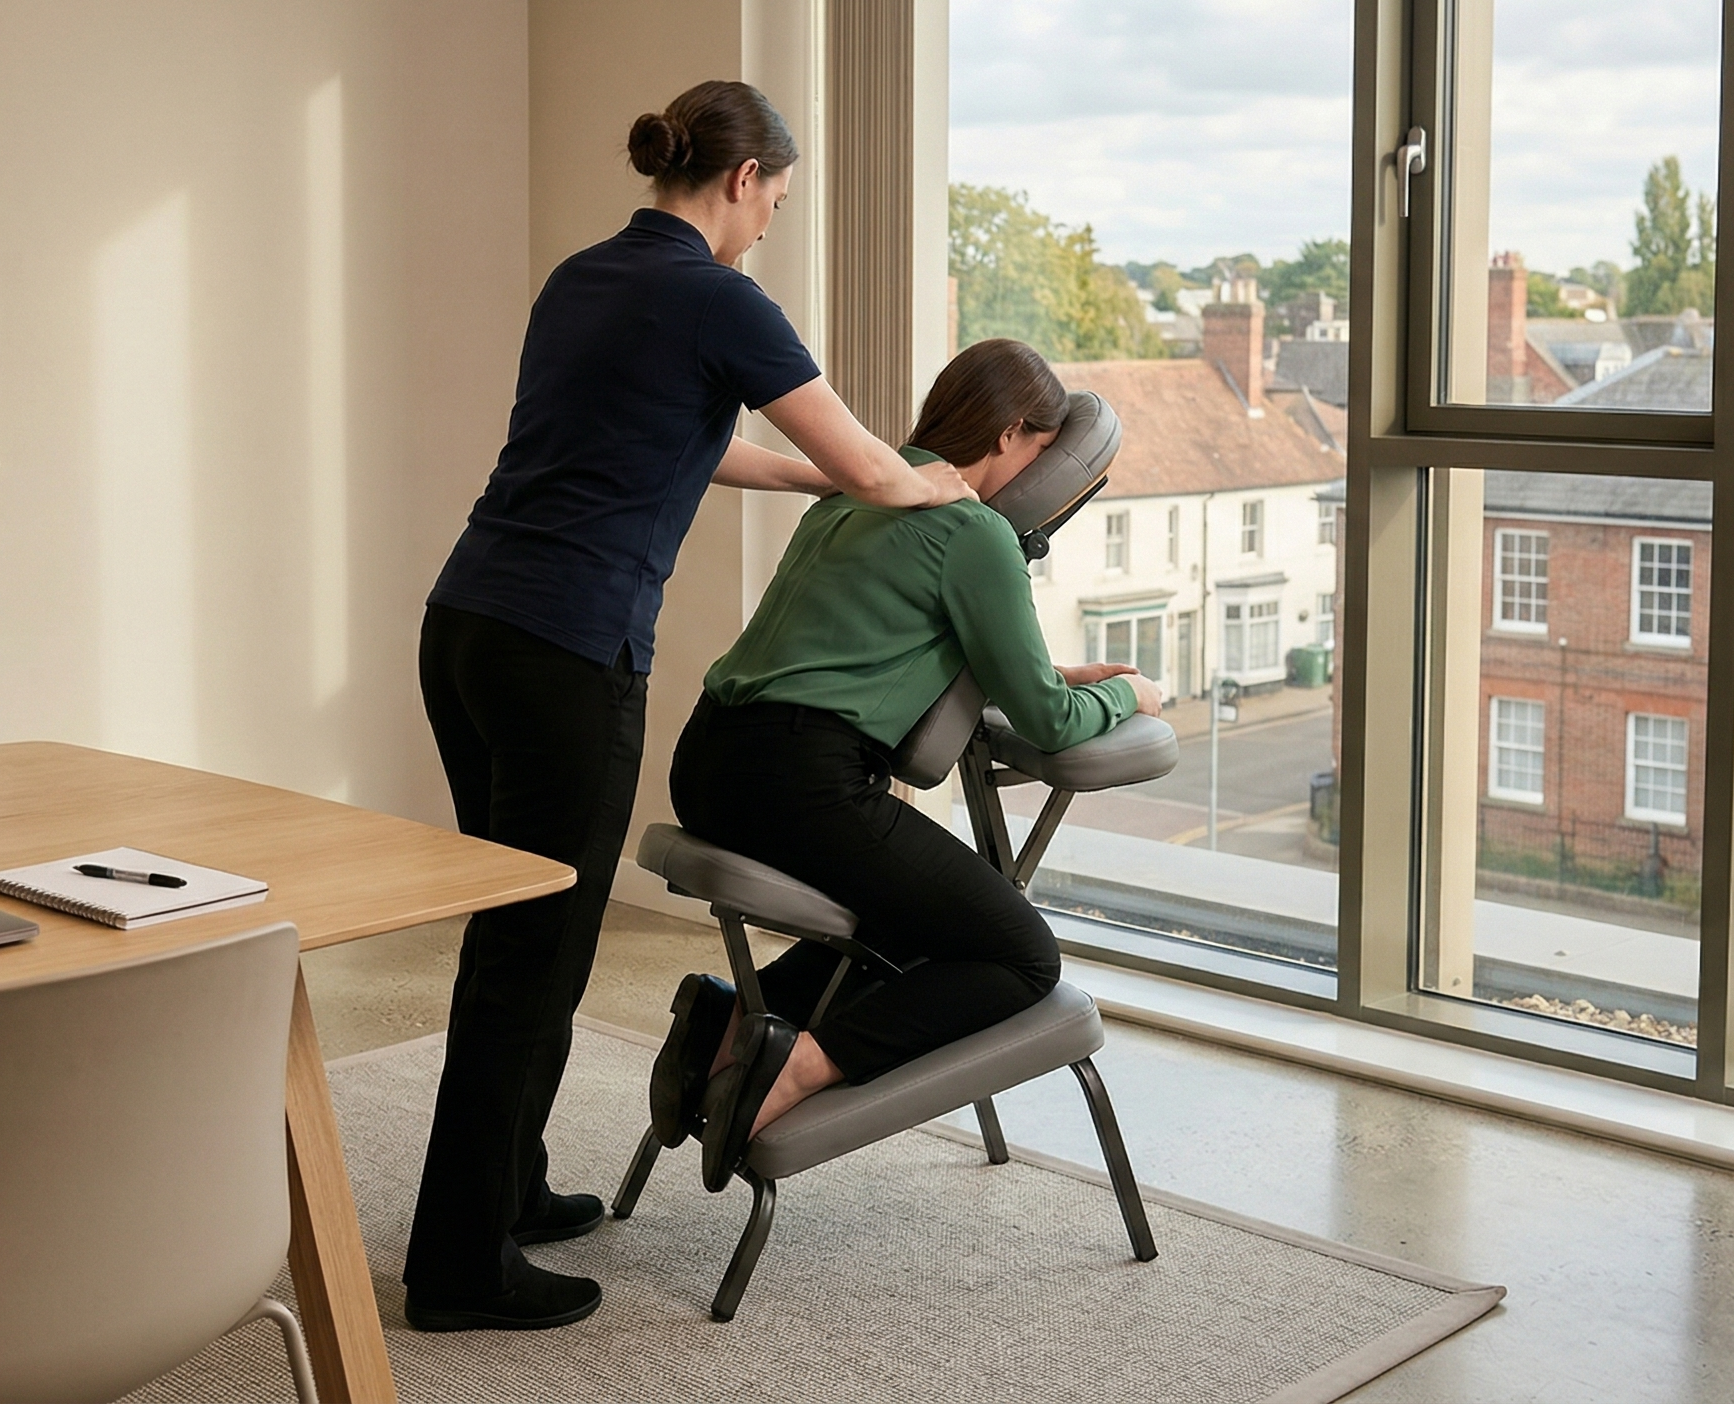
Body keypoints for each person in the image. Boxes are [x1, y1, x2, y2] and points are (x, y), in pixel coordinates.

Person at [406, 80, 973, 1332]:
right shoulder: (721, 297)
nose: (773, 218)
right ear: (742, 177)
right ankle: (457, 1264)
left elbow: (689, 443)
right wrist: (947, 495)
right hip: (565, 651)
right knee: (534, 952)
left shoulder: (585, 278)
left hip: (467, 629)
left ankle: (508, 1191)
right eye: (777, 193)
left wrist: (816, 484)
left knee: (510, 936)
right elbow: (873, 463)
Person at [654, 337, 1167, 1190]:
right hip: (799, 782)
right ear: (1009, 435)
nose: (1039, 474)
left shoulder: (854, 497)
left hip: (710, 758)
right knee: (1020, 957)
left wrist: (1045, 667)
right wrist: (1128, 696)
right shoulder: (972, 529)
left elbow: (889, 642)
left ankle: (725, 1025)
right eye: (1040, 451)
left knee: (910, 921)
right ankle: (797, 1063)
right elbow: (1047, 719)